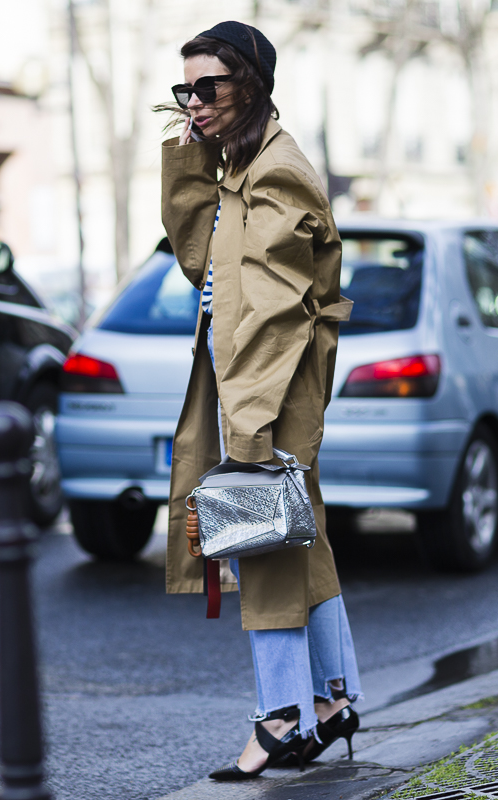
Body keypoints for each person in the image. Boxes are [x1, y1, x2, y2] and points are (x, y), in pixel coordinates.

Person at [158, 21, 363, 781]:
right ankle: (333, 699)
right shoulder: (238, 171)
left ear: (249, 82)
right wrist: (188, 155)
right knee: (296, 537)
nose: (195, 102)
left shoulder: (277, 170)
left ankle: (281, 716)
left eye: (208, 86)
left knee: (264, 543)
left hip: (268, 386)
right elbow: (193, 258)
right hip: (250, 378)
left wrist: (248, 424)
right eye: (186, 90)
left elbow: (278, 310)